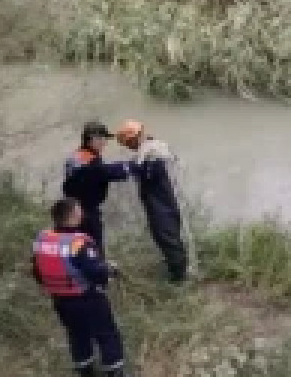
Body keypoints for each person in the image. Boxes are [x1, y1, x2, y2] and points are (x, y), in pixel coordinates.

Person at [33, 198, 130, 377]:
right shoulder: (78, 243)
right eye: (79, 211)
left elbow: (38, 273)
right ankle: (115, 371)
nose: (82, 213)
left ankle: (84, 370)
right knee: (106, 334)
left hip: (60, 300)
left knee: (77, 334)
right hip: (86, 297)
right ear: (73, 215)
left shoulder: (43, 240)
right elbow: (96, 273)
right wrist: (110, 270)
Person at [116, 120, 189, 283]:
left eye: (128, 143)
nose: (129, 147)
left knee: (167, 237)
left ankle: (179, 279)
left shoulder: (151, 155)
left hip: (161, 204)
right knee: (169, 236)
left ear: (134, 139)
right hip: (165, 200)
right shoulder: (154, 149)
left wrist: (124, 169)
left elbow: (143, 172)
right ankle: (178, 267)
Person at [62, 122, 133, 256]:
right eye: (103, 139)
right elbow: (107, 173)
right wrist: (132, 167)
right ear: (93, 139)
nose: (105, 143)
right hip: (86, 210)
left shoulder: (76, 155)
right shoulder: (91, 161)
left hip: (71, 207)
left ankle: (78, 270)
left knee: (76, 244)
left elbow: (101, 171)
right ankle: (97, 272)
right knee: (94, 245)